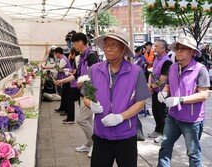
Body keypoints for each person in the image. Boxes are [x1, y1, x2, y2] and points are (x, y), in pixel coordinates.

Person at [84, 27, 150, 167]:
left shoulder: (135, 72)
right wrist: (90, 104)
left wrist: (120, 117)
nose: (108, 49)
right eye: (106, 45)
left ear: (123, 49)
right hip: (101, 134)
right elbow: (86, 96)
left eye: (114, 45)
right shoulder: (94, 70)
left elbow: (141, 102)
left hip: (126, 136)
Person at [157, 36, 210, 167]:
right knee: (165, 147)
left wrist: (180, 100)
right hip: (172, 116)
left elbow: (204, 94)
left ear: (192, 51)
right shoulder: (173, 67)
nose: (179, 51)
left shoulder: (200, 69)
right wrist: (164, 92)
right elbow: (168, 84)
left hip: (191, 119)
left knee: (193, 153)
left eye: (183, 49)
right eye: (177, 48)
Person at [55, 32, 99, 157]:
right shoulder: (82, 56)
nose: (73, 46)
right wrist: (62, 81)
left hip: (90, 94)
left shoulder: (91, 56)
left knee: (81, 119)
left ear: (80, 42)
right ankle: (89, 144)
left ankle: (96, 144)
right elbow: (76, 75)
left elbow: (94, 76)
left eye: (74, 43)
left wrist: (82, 82)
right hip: (84, 93)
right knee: (88, 119)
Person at [147, 40, 173, 143]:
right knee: (155, 112)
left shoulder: (167, 61)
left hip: (163, 93)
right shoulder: (156, 58)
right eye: (154, 46)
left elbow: (163, 80)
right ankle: (158, 130)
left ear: (163, 48)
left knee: (162, 114)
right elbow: (151, 72)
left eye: (156, 46)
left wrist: (151, 87)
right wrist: (149, 85)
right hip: (155, 90)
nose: (154, 48)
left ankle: (164, 134)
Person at [63, 47, 80, 124]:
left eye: (71, 53)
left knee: (70, 101)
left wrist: (68, 73)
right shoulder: (74, 61)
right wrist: (69, 70)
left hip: (75, 85)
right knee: (70, 101)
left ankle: (70, 119)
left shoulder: (77, 60)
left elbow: (76, 73)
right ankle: (70, 118)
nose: (69, 55)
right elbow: (74, 71)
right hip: (73, 84)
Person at [54, 47, 71, 115]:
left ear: (58, 53)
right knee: (63, 95)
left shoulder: (63, 59)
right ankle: (62, 108)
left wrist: (58, 68)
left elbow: (59, 69)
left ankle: (66, 110)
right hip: (65, 78)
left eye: (55, 53)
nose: (55, 55)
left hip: (66, 79)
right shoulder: (62, 58)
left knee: (65, 95)